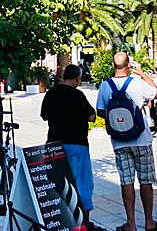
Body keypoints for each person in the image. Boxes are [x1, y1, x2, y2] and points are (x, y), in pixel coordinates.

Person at [96, 53, 157, 231]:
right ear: (129, 65)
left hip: (119, 142)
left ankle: (131, 223)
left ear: (112, 65)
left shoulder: (105, 86)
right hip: (141, 139)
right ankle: (149, 222)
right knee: (145, 181)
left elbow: (100, 111)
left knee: (126, 181)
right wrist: (141, 72)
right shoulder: (137, 83)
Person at [40, 64, 99, 230]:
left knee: (57, 183)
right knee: (82, 183)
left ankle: (60, 221)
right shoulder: (77, 95)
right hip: (76, 144)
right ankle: (84, 223)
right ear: (78, 78)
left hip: (54, 145)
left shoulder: (51, 93)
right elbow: (92, 117)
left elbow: (44, 115)